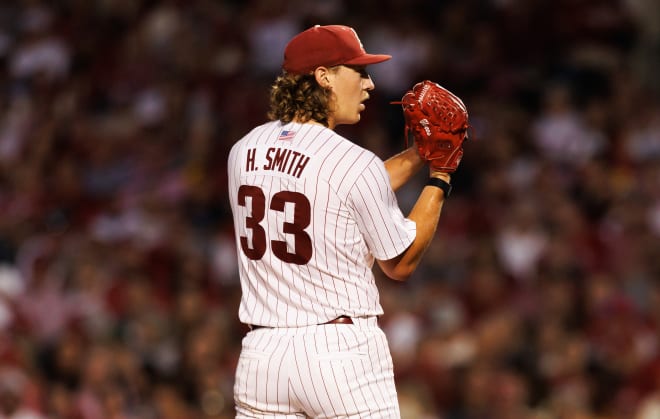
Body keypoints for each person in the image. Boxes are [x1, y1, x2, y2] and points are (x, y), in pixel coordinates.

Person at [227, 24, 458, 418]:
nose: (369, 84)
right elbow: (399, 263)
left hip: (261, 359)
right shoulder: (353, 162)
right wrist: (441, 175)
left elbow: (340, 192)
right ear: (324, 76)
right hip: (339, 356)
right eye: (359, 71)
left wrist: (419, 153)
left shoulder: (242, 150)